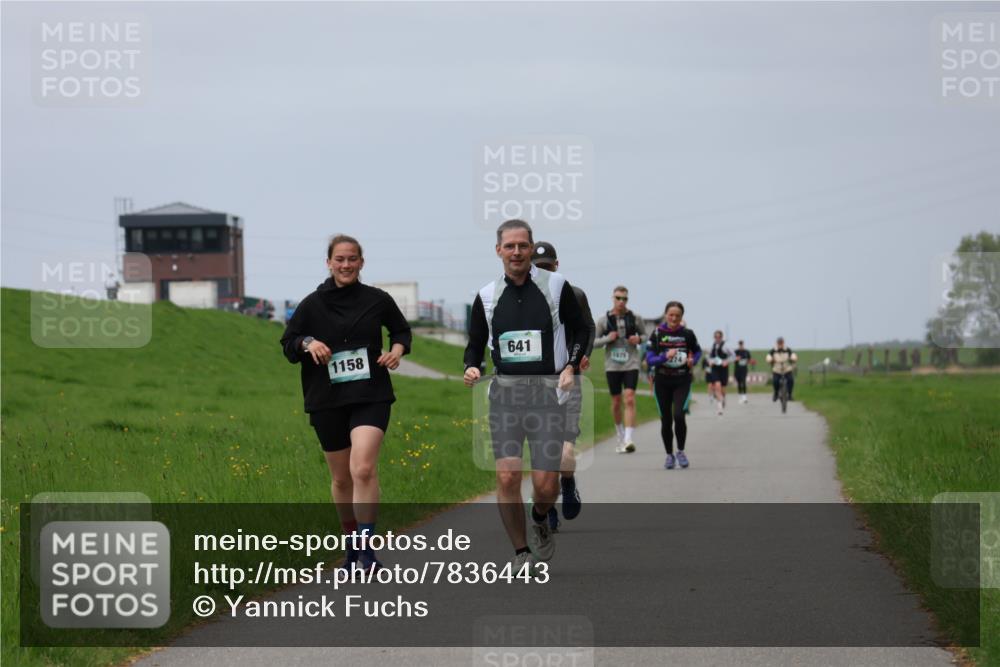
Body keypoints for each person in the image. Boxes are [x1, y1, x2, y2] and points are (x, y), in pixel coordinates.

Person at [280, 234, 411, 572]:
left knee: (363, 468)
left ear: (361, 263)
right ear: (329, 263)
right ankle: (352, 547)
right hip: (327, 399)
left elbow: (400, 332)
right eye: (339, 259)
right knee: (342, 480)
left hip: (371, 394)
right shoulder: (312, 303)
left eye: (352, 259)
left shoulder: (377, 299)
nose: (346, 264)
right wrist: (308, 343)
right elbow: (289, 343)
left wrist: (396, 351)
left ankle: (367, 552)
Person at [464, 220, 588, 573]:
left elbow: (580, 328)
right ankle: (520, 553)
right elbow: (474, 343)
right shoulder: (487, 296)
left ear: (531, 249)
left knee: (546, 485)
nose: (516, 252)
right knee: (506, 476)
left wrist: (571, 366)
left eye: (522, 245)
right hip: (505, 397)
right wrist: (471, 366)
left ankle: (539, 516)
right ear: (498, 250)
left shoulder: (555, 286)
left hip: (548, 396)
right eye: (509, 246)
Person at [530, 241, 595, 533]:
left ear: (557, 265)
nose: (543, 272)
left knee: (565, 450)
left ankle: (567, 483)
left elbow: (588, 327)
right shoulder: (520, 298)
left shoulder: (574, 294)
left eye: (547, 266)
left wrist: (582, 357)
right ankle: (546, 507)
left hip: (568, 378)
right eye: (538, 267)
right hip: (532, 385)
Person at [646, 301, 701, 470]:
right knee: (666, 420)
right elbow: (649, 359)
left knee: (678, 415)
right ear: (665, 315)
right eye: (671, 315)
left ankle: (681, 451)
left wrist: (693, 360)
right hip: (662, 381)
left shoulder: (687, 334)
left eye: (677, 315)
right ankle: (669, 455)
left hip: (682, 380)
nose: (674, 318)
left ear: (681, 317)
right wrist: (664, 357)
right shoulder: (656, 334)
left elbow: (698, 351)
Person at [593, 286, 647, 453]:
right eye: (618, 298)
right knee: (616, 402)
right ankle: (620, 433)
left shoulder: (635, 318)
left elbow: (645, 336)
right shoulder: (603, 320)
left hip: (631, 363)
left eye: (624, 299)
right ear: (613, 298)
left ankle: (628, 439)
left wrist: (638, 339)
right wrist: (608, 339)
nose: (621, 302)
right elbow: (593, 343)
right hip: (612, 365)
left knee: (629, 398)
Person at [707, 331, 735, 416]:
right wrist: (710, 361)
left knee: (723, 388)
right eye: (715, 337)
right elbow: (708, 356)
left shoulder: (726, 346)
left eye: (719, 337)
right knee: (717, 385)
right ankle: (719, 407)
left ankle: (723, 398)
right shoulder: (712, 346)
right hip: (715, 368)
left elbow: (733, 356)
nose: (717, 338)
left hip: (723, 368)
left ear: (721, 337)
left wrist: (727, 361)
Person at [766, 337, 798, 402]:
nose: (780, 344)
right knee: (775, 381)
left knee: (790, 380)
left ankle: (789, 394)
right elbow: (768, 357)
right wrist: (770, 360)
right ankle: (776, 393)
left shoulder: (788, 350)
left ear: (783, 343)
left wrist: (793, 358)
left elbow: (793, 355)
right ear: (777, 343)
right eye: (779, 343)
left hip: (786, 369)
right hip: (777, 369)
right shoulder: (773, 350)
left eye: (781, 343)